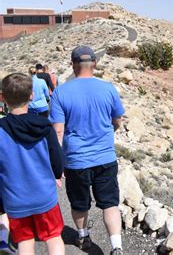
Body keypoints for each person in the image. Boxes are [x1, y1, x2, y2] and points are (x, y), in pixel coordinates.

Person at [50, 46, 125, 255]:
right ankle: (116, 246)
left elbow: (57, 131)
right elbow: (117, 120)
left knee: (79, 203)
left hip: (76, 160)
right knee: (110, 203)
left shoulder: (61, 92)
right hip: (105, 157)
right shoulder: (108, 88)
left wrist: (57, 162)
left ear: (72, 64)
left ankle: (83, 237)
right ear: (95, 64)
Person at [0, 73, 65, 255]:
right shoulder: (44, 126)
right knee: (53, 238)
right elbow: (57, 158)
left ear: (3, 97)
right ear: (31, 95)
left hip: (15, 200)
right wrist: (56, 174)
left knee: (25, 242)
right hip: (44, 196)